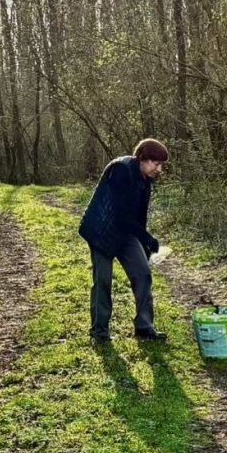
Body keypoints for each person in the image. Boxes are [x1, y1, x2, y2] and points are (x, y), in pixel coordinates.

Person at [79, 138, 169, 342]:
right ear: (143, 159)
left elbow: (139, 217)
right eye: (156, 164)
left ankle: (144, 327)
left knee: (143, 273)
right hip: (101, 231)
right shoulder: (120, 169)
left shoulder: (146, 180)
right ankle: (99, 332)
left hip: (125, 232)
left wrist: (145, 244)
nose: (159, 169)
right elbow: (120, 214)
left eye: (161, 164)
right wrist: (147, 237)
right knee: (103, 281)